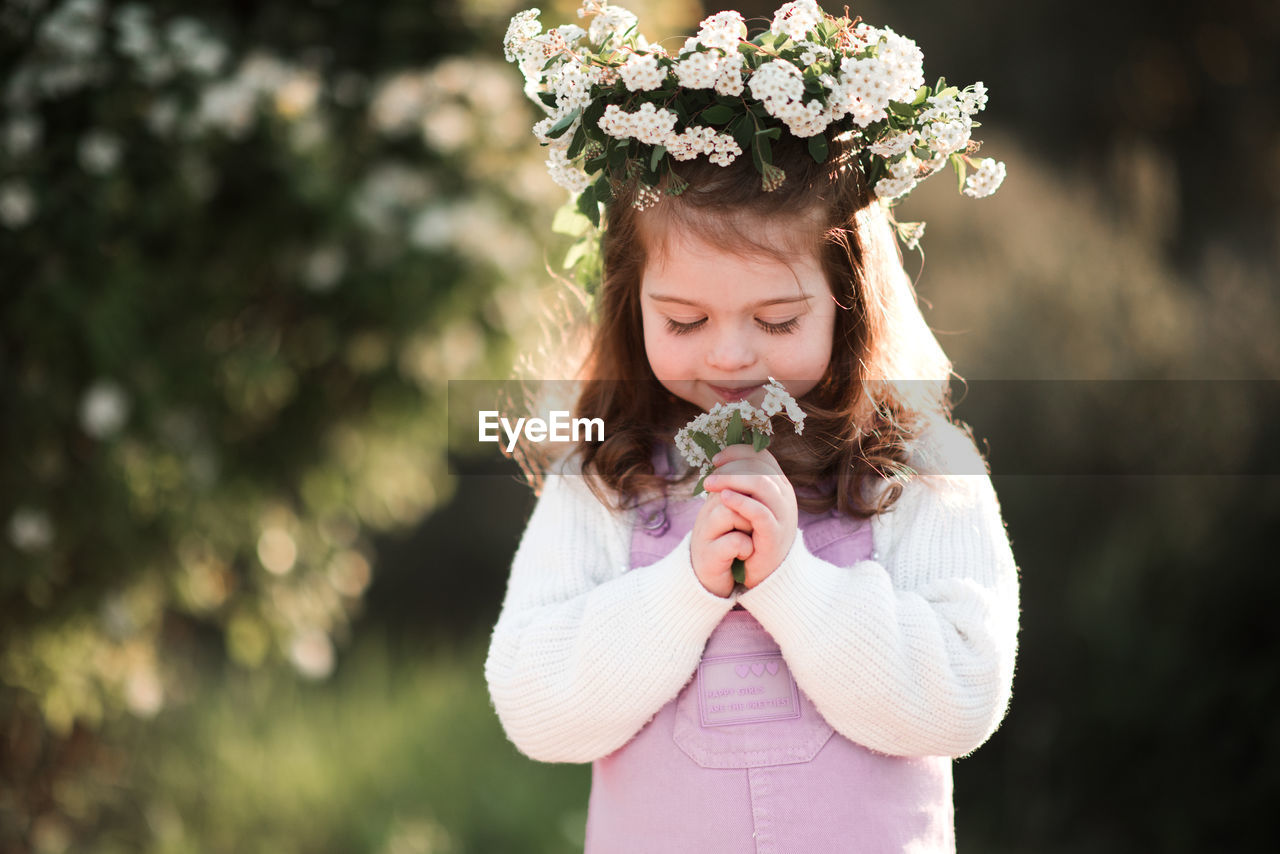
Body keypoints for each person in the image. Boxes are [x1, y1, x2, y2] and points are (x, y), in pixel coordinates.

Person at [487, 3, 1018, 851]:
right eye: (685, 322)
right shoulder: (605, 477)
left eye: (776, 322)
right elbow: (535, 709)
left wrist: (794, 583)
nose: (731, 357)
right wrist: (682, 589)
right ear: (632, 308)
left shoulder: (917, 468)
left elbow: (960, 697)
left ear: (848, 306)